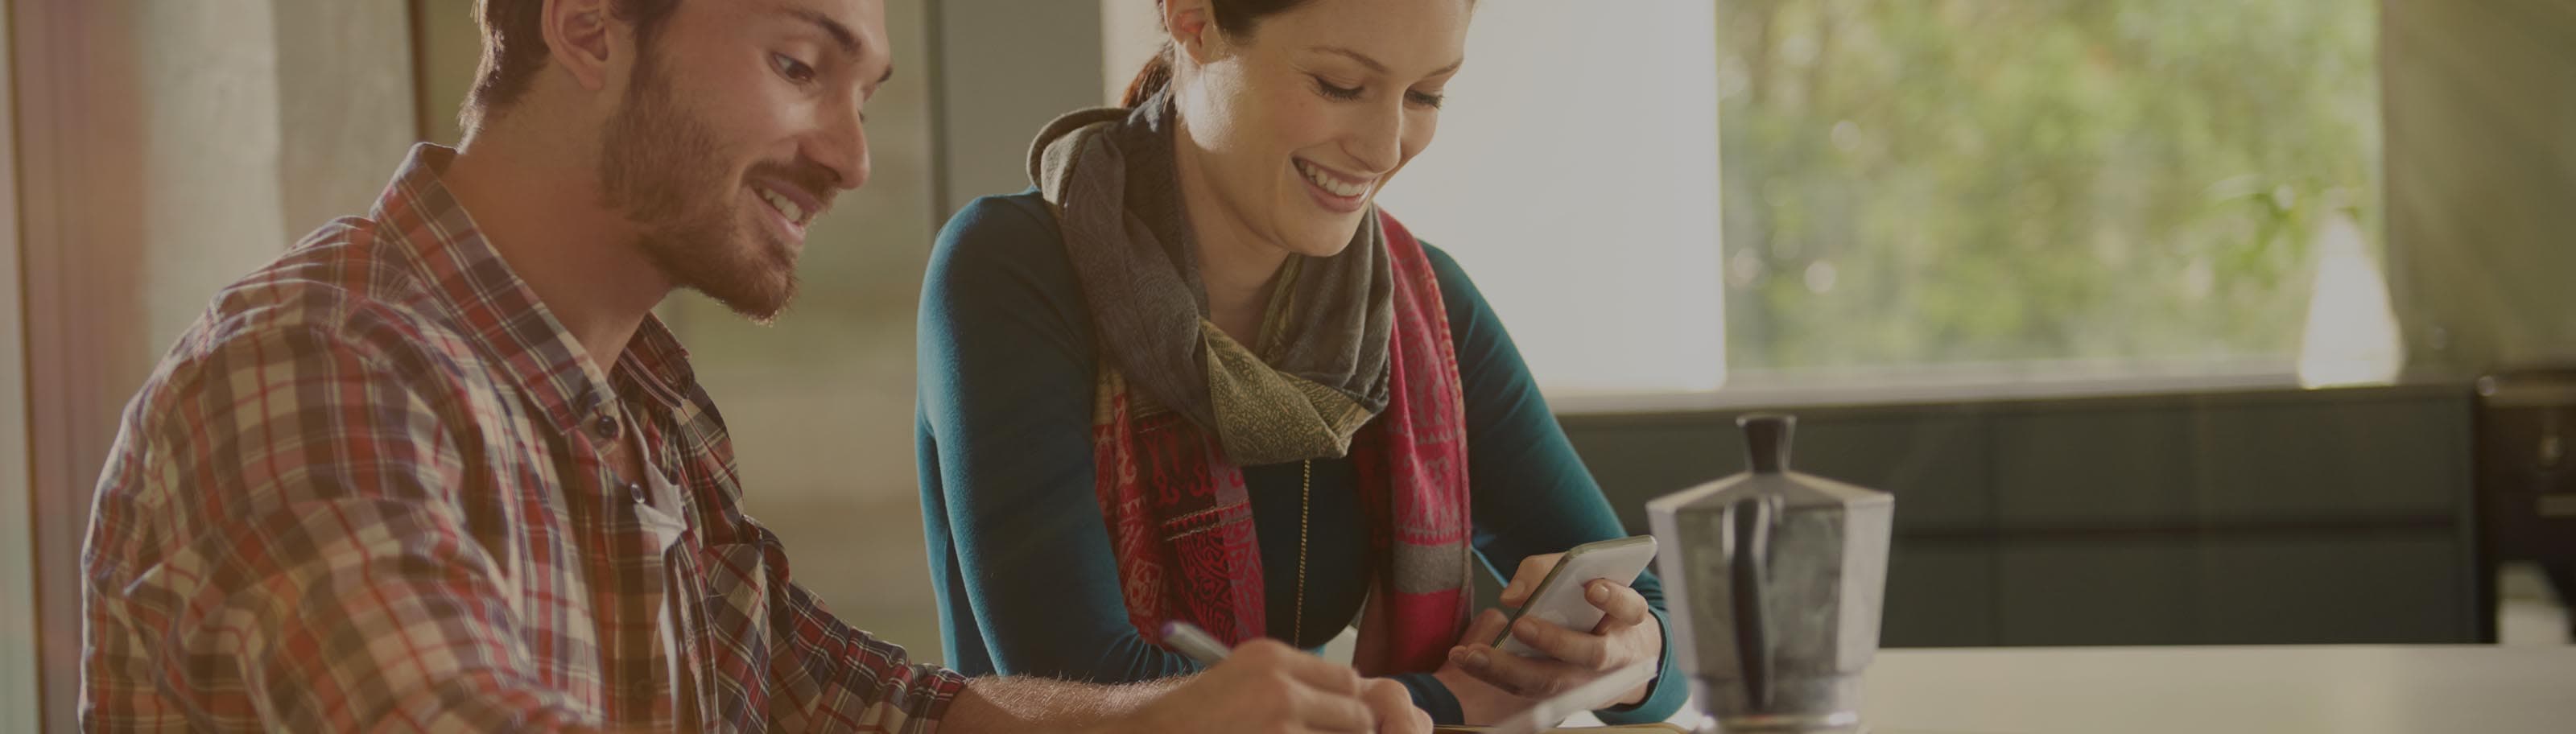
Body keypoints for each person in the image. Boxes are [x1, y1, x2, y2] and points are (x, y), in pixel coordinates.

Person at [79, 1, 1426, 732]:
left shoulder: (638, 410)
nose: (848, 155)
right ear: (591, 24)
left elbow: (859, 704)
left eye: (866, 94)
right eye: (799, 64)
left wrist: (1165, 722)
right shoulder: (328, 376)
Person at [914, 0, 1686, 725]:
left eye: (1425, 96)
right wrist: (1445, 703)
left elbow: (1652, 621)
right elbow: (1088, 684)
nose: (1385, 148)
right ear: (1193, 19)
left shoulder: (1420, 305)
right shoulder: (1008, 270)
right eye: (1340, 85)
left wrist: (1629, 651)